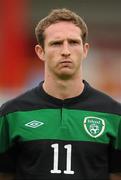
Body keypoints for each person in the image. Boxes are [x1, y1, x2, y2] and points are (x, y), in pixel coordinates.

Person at [0, 8, 121, 180]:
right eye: (56, 43)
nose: (65, 51)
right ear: (40, 51)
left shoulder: (114, 115)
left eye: (73, 42)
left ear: (85, 49)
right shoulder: (12, 114)